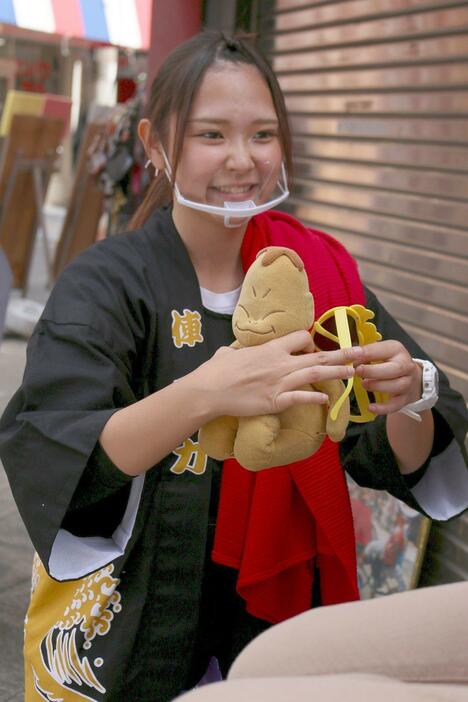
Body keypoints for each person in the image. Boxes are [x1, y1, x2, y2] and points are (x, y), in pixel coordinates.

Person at [0, 31, 467, 702]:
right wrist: (206, 393)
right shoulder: (106, 284)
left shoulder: (314, 273)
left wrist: (411, 400)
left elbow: (394, 456)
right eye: (211, 135)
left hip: (276, 615)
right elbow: (54, 450)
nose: (242, 161)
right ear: (156, 144)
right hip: (134, 618)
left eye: (263, 135)